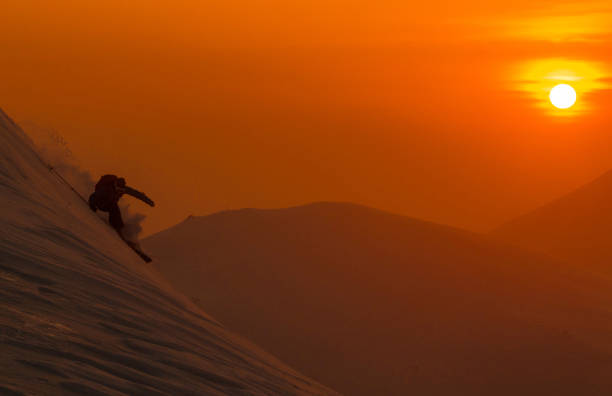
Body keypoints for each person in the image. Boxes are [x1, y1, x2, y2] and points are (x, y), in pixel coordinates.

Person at [88, 175, 155, 237]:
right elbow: (95, 196)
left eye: (121, 190)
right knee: (114, 207)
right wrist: (92, 205)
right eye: (118, 189)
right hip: (98, 202)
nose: (119, 191)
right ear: (115, 185)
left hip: (107, 205)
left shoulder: (123, 189)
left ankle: (120, 227)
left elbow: (136, 194)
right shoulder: (107, 188)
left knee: (114, 207)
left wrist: (149, 202)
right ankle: (117, 226)